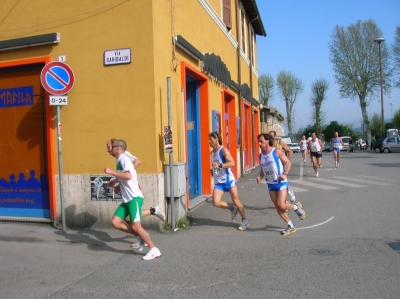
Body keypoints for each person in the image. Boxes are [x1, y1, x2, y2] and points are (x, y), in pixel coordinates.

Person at [105, 139, 161, 260]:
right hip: (127, 199)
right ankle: (141, 237)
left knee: (136, 226)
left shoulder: (124, 159)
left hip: (134, 198)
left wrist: (111, 173)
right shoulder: (120, 160)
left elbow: (128, 175)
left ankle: (153, 249)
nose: (108, 150)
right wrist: (116, 185)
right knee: (115, 222)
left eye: (111, 147)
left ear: (118, 148)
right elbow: (125, 178)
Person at [256, 133, 306, 236]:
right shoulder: (261, 155)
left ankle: (296, 207)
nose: (259, 143)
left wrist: (285, 174)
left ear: (267, 141)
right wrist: (260, 177)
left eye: (261, 141)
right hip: (270, 183)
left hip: (281, 181)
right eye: (258, 141)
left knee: (281, 204)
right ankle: (291, 225)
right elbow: (263, 167)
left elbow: (288, 163)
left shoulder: (276, 152)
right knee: (278, 206)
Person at [209, 131, 249, 231]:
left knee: (236, 201)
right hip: (219, 182)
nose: (209, 141)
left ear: (216, 139)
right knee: (215, 202)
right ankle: (232, 209)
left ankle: (245, 221)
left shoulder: (223, 150)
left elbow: (232, 163)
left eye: (210, 139)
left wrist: (220, 165)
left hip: (228, 180)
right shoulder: (212, 153)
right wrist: (212, 171)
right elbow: (213, 166)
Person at [268, 131, 295, 202]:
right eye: (269, 136)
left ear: (275, 136)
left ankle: (285, 198)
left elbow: (290, 152)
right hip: (274, 167)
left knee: (281, 182)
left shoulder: (280, 143)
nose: (270, 138)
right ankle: (287, 194)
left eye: (271, 136)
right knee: (277, 183)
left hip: (282, 166)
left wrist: (286, 161)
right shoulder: (269, 145)